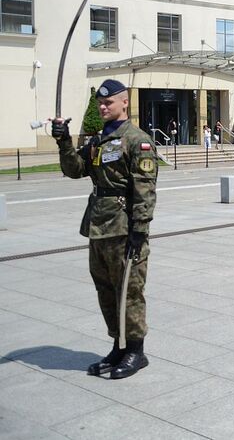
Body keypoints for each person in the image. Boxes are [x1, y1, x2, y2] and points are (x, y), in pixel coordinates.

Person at [51, 79, 158, 379]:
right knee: (106, 290)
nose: (102, 106)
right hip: (98, 226)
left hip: (125, 230)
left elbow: (145, 189)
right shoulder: (98, 140)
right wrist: (64, 142)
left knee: (129, 291)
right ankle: (118, 345)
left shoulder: (138, 140)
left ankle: (136, 350)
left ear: (125, 102)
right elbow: (75, 170)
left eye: (108, 102)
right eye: (100, 102)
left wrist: (140, 230)